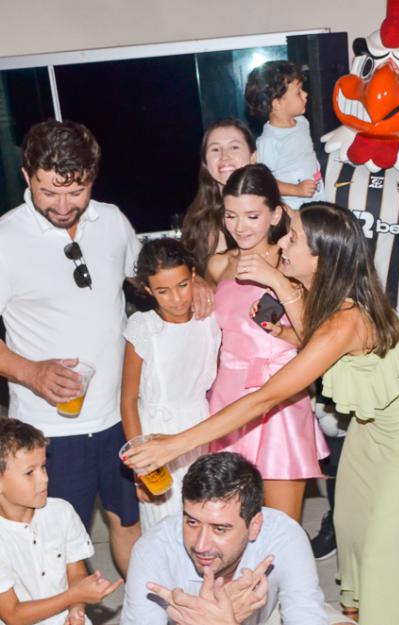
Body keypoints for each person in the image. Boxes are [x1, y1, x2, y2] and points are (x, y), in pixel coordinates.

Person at [124, 201, 399, 625]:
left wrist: (175, 444)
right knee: (352, 528)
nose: (282, 241)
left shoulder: (347, 319)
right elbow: (311, 333)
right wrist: (272, 285)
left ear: (320, 256)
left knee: (384, 548)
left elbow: (267, 397)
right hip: (370, 425)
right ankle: (398, 611)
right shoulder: (325, 293)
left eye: (294, 237)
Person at [0, 119, 212, 577]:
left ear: (92, 179)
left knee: (129, 522)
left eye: (76, 191)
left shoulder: (112, 221)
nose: (63, 206)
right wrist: (29, 371)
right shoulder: (5, 239)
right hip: (48, 429)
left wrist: (195, 283)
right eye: (48, 191)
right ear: (26, 176)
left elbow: (146, 278)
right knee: (57, 544)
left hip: (119, 417)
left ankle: (144, 606)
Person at [206, 164, 327, 522]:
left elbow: (315, 339)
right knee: (228, 523)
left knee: (281, 527)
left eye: (252, 216)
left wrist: (276, 279)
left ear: (275, 214)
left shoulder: (293, 262)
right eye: (231, 215)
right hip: (227, 397)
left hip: (280, 400)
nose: (239, 226)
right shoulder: (218, 265)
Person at [121, 451, 351, 625]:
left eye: (220, 529)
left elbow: (305, 615)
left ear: (254, 526)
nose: (200, 545)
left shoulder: (285, 535)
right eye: (192, 522)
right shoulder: (152, 550)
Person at [121, 238, 221, 531]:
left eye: (182, 285)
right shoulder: (143, 327)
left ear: (194, 277)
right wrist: (141, 467)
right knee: (163, 525)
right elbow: (128, 400)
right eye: (163, 291)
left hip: (200, 428)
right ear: (148, 290)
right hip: (154, 432)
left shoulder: (209, 320)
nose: (176, 299)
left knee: (204, 519)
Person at [0, 418, 123, 625]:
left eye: (43, 467)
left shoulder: (61, 511)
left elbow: (76, 572)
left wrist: (76, 609)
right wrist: (75, 596)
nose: (44, 478)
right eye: (30, 472)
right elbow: (13, 615)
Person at [181, 118, 257, 277]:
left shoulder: (274, 212)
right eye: (215, 149)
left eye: (234, 147)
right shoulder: (197, 219)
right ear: (205, 162)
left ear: (253, 157)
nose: (224, 157)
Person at [245, 60, 325, 210]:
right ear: (277, 104)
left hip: (317, 197)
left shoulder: (302, 122)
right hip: (293, 207)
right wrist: (296, 190)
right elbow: (265, 182)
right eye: (299, 92)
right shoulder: (269, 141)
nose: (305, 94)